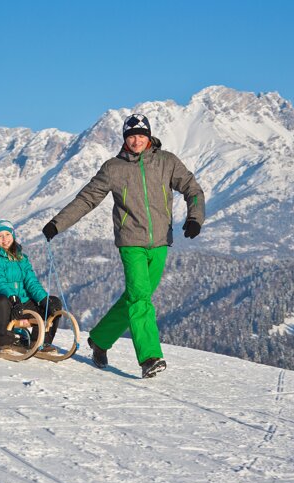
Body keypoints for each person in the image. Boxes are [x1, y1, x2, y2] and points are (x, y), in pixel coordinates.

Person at [42, 113, 205, 378]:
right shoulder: (113, 168)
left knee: (135, 297)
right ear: (124, 139)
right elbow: (86, 200)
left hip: (161, 242)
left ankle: (100, 339)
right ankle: (150, 357)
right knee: (140, 298)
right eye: (131, 136)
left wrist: (195, 218)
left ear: (149, 136)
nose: (137, 141)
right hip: (131, 243)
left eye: (141, 135)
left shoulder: (167, 162)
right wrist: (57, 224)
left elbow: (193, 189)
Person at [0, 220, 62, 354]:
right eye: (0, 236)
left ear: (13, 235)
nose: (5, 239)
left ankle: (40, 341)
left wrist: (44, 299)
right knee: (1, 302)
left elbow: (31, 281)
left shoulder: (22, 258)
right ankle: (3, 343)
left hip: (22, 302)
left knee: (53, 302)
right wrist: (12, 297)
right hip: (5, 302)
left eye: (7, 235)